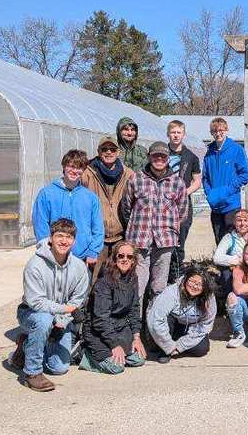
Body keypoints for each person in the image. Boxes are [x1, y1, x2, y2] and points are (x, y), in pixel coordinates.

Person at [16, 218, 90, 392]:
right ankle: (32, 373)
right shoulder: (35, 265)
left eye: (69, 237)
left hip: (61, 318)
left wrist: (61, 323)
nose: (64, 241)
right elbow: (36, 302)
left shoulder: (79, 268)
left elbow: (77, 301)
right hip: (31, 313)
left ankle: (26, 346)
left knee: (59, 368)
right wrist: (63, 311)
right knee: (43, 321)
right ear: (50, 237)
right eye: (60, 236)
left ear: (74, 241)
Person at [120, 141, 188, 306]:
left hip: (165, 242)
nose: (159, 159)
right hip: (139, 241)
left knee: (159, 287)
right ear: (149, 157)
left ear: (168, 158)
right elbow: (126, 207)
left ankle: (153, 326)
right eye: (155, 155)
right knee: (137, 286)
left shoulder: (177, 183)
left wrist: (170, 228)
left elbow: (183, 212)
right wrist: (137, 226)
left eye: (163, 156)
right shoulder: (136, 179)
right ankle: (136, 327)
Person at [80, 242, 146, 374]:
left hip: (119, 328)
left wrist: (136, 337)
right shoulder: (104, 282)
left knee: (138, 359)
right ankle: (85, 355)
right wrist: (114, 344)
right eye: (121, 256)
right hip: (97, 330)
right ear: (115, 258)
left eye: (129, 257)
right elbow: (100, 319)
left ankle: (111, 354)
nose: (125, 259)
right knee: (116, 367)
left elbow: (134, 309)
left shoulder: (133, 278)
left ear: (133, 260)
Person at [32, 149, 104, 270]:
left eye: (79, 168)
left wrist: (93, 252)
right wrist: (47, 248)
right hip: (54, 256)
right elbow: (40, 224)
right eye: (71, 166)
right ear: (64, 166)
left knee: (81, 288)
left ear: (84, 170)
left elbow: (98, 227)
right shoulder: (47, 194)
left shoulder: (91, 197)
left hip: (82, 257)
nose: (74, 171)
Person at [81, 135, 133, 278]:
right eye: (105, 149)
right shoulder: (87, 174)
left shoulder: (128, 174)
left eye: (112, 149)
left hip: (120, 237)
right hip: (96, 239)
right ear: (99, 151)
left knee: (117, 278)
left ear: (118, 152)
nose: (108, 152)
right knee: (93, 279)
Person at [146, 266, 216, 362]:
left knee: (201, 349)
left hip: (190, 326)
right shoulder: (171, 292)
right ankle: (164, 349)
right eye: (191, 281)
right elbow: (155, 319)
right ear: (186, 279)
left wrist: (180, 346)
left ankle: (175, 347)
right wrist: (168, 346)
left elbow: (205, 324)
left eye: (199, 284)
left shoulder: (209, 297)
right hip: (170, 325)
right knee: (160, 338)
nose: (194, 286)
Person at [202, 118, 248, 244]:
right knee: (220, 241)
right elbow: (205, 177)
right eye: (214, 131)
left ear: (226, 130)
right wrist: (210, 194)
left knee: (234, 240)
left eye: (221, 130)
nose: (218, 133)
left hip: (231, 205)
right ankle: (221, 264)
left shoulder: (236, 149)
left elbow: (245, 175)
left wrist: (227, 190)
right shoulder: (209, 153)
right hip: (215, 205)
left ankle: (235, 264)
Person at [166, 120, 202, 275]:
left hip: (183, 205)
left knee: (180, 240)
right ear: (168, 134)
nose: (175, 135)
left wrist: (184, 193)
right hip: (164, 204)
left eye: (178, 132)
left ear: (183, 134)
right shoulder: (161, 154)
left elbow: (197, 181)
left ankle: (176, 274)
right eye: (173, 132)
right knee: (164, 241)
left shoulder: (191, 157)